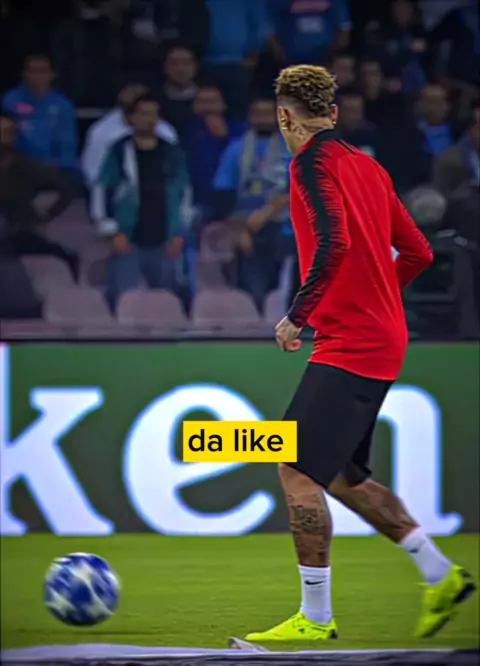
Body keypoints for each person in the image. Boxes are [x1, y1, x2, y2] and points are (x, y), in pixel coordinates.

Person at [245, 65, 475, 643]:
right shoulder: (369, 167)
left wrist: (298, 314)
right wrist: (378, 296)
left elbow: (334, 241)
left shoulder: (309, 165)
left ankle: (315, 618)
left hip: (353, 341)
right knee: (344, 479)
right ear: (332, 112)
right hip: (379, 335)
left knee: (295, 467)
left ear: (285, 117)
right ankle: (440, 575)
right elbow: (418, 252)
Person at [91, 94, 189, 311]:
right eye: (144, 113)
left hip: (165, 237)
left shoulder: (172, 152)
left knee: (168, 300)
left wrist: (179, 232)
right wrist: (112, 231)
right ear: (132, 117)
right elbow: (102, 190)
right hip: (128, 238)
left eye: (154, 114)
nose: (149, 119)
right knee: (121, 298)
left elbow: (184, 192)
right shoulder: (118, 151)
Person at [212, 97, 290, 313]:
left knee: (285, 291)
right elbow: (224, 193)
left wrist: (268, 211)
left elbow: (302, 188)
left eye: (269, 114)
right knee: (252, 291)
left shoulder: (292, 149)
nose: (264, 119)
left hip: (287, 230)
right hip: (247, 229)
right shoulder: (235, 150)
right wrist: (239, 231)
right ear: (250, 117)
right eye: (258, 114)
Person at [0, 108, 78, 280]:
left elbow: (67, 188)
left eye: (7, 133)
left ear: (14, 136)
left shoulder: (29, 167)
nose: (2, 138)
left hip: (19, 233)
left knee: (63, 256)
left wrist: (47, 214)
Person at [81, 82, 177, 189]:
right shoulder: (102, 133)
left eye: (151, 113)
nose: (148, 119)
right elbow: (95, 177)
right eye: (143, 113)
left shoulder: (167, 134)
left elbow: (178, 176)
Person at [2, 54, 79, 178]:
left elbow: (67, 148)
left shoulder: (63, 106)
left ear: (52, 75)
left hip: (54, 170)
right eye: (32, 71)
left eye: (42, 72)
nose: (37, 77)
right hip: (18, 170)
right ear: (24, 75)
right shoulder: (10, 101)